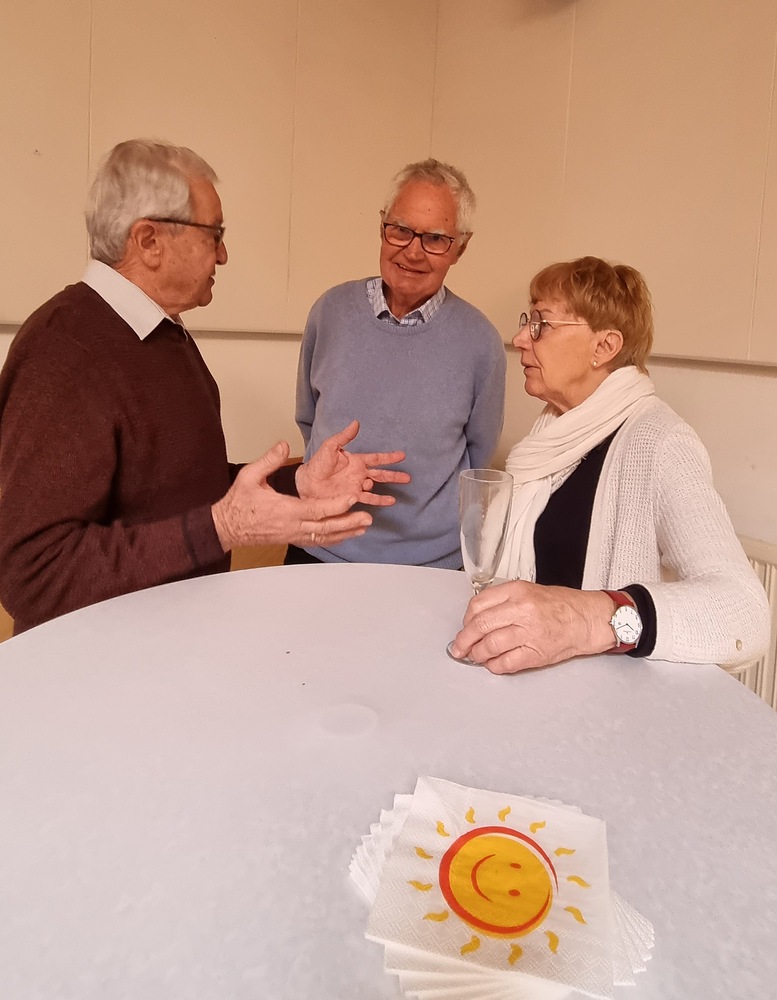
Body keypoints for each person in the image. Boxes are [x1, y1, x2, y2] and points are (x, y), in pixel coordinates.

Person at [0, 139, 409, 634]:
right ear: (149, 240)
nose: (224, 253)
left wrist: (296, 484)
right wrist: (223, 528)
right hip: (100, 665)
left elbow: (184, 491)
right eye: (214, 233)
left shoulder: (163, 335)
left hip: (175, 644)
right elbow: (32, 574)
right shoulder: (64, 348)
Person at [449, 256, 769, 672]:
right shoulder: (552, 432)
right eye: (528, 321)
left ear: (604, 347)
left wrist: (585, 618)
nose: (521, 338)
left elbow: (745, 611)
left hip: (605, 698)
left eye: (541, 323)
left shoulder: (659, 441)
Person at [289, 158, 506, 568]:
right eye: (401, 230)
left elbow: (478, 458)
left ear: (460, 248)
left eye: (435, 238)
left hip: (430, 564)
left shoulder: (482, 343)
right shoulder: (329, 311)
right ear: (382, 227)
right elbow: (308, 418)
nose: (413, 251)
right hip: (319, 543)